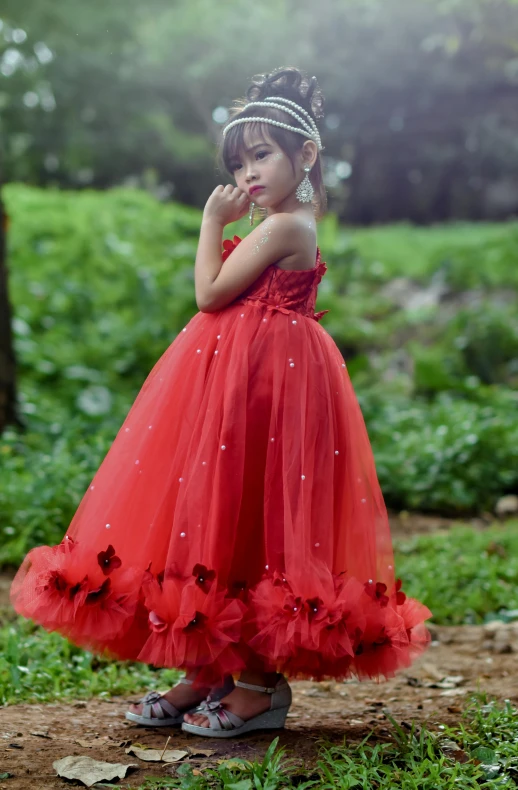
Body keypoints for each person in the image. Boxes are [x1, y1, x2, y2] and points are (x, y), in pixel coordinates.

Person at [10, 66, 433, 739]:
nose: (249, 175)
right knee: (213, 515)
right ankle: (207, 664)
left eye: (262, 155)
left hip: (273, 385)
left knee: (262, 520)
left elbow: (208, 293)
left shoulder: (286, 228)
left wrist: (211, 220)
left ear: (308, 156)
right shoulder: (275, 222)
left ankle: (262, 686)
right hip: (233, 384)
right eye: (239, 162)